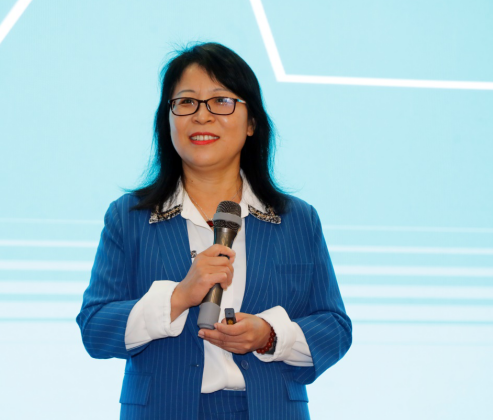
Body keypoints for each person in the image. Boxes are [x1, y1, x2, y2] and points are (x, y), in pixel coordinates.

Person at [76, 42, 352, 420]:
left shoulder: (297, 219)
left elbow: (334, 327)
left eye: (221, 101)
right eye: (186, 102)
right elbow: (94, 328)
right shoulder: (129, 218)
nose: (202, 115)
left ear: (252, 122)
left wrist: (270, 335)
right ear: (168, 120)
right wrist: (177, 298)